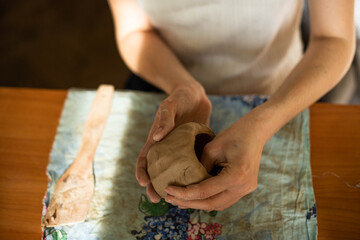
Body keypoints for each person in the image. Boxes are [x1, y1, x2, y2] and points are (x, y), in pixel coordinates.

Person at [108, 0, 355, 211]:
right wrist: (182, 85)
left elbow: (334, 38)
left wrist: (262, 123)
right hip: (169, 87)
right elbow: (135, 32)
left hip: (280, 94)